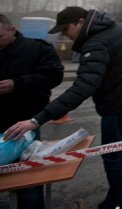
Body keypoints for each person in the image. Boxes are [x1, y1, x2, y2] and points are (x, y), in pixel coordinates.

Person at [5, 7, 122, 209]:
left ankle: (117, 199)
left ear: (80, 21)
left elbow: (82, 88)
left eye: (65, 29)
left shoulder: (96, 43)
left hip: (117, 105)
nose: (64, 35)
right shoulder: (114, 29)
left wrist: (37, 120)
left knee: (113, 153)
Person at [0, 14, 64, 209]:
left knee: (27, 174)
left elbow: (54, 75)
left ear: (12, 30)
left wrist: (17, 84)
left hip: (25, 122)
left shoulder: (37, 48)